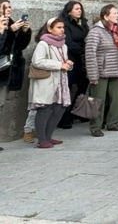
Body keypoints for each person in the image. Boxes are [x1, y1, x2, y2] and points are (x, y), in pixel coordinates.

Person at [85, 4, 118, 137]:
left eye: (117, 13)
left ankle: (112, 123)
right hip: (101, 71)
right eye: (115, 13)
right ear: (106, 16)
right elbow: (90, 53)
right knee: (98, 99)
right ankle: (95, 126)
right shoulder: (96, 31)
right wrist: (93, 74)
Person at [28, 18, 73, 148]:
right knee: (44, 109)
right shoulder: (43, 44)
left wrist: (68, 64)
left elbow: (63, 62)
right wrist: (59, 65)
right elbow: (38, 61)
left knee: (60, 108)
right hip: (46, 81)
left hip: (60, 81)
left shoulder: (63, 45)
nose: (62, 30)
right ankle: (42, 140)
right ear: (50, 29)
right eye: (59, 27)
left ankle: (48, 136)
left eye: (63, 27)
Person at [57, 1, 90, 128]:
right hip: (70, 58)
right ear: (69, 11)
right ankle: (64, 118)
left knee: (83, 87)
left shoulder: (83, 23)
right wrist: (83, 51)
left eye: (80, 8)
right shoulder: (65, 24)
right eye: (76, 9)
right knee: (68, 88)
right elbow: (68, 42)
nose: (79, 11)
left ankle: (77, 112)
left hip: (82, 60)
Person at [0, 0, 32, 93]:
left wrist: (24, 32)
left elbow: (20, 46)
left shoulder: (12, 23)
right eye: (5, 7)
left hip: (9, 69)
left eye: (10, 7)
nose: (9, 9)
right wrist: (8, 31)